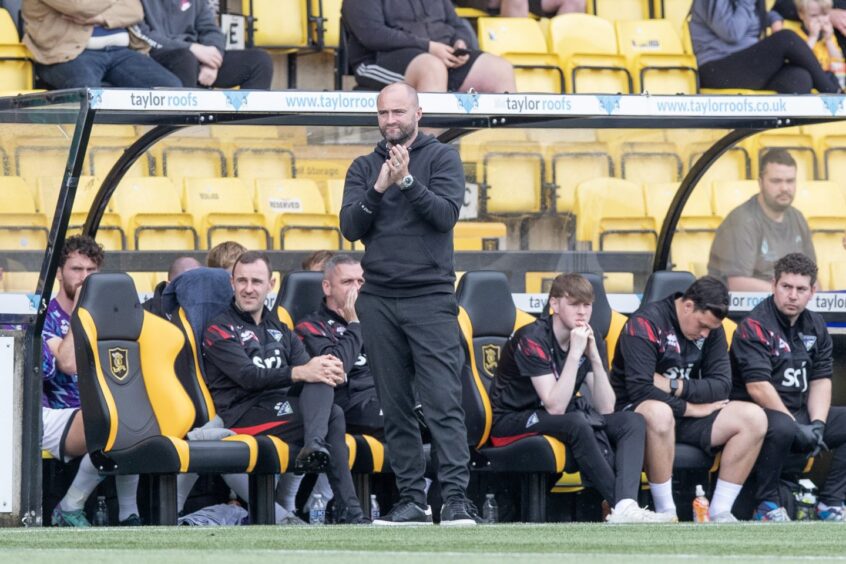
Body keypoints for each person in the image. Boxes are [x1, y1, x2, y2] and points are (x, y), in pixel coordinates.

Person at [340, 82, 476, 526]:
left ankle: (455, 498)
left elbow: (444, 215)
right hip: (378, 299)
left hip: (430, 297)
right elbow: (350, 228)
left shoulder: (442, 158)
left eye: (399, 111)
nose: (391, 120)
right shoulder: (364, 166)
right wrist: (380, 187)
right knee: (393, 405)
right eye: (384, 113)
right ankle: (412, 500)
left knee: (442, 402)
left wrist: (408, 182)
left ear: (419, 113)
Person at [490, 273, 675, 523]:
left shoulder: (591, 336)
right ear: (554, 305)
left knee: (632, 422)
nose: (582, 312)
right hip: (513, 419)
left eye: (587, 305)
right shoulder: (532, 339)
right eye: (574, 304)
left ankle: (626, 504)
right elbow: (554, 406)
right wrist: (576, 354)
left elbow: (606, 406)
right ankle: (623, 507)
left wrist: (595, 358)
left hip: (557, 416)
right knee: (575, 422)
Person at [202, 251, 367, 524]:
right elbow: (247, 376)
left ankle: (336, 486)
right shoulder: (219, 328)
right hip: (243, 414)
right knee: (329, 406)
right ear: (232, 282)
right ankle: (347, 504)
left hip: (280, 409)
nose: (249, 288)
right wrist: (302, 371)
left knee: (323, 386)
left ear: (272, 284)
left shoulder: (280, 328)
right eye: (242, 281)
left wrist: (320, 368)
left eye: (256, 281)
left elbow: (309, 368)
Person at [609, 276, 767, 522]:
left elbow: (722, 386)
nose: (704, 333)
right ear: (688, 305)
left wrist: (674, 385)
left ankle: (720, 511)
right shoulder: (644, 324)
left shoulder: (711, 329)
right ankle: (666, 511)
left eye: (709, 329)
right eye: (701, 325)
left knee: (754, 417)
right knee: (659, 412)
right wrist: (689, 408)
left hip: (689, 411)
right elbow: (640, 389)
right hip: (639, 415)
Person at [731, 253, 846, 521]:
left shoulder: (816, 325)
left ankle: (831, 503)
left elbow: (821, 379)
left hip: (801, 412)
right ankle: (767, 506)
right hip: (760, 416)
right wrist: (796, 426)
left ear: (812, 291)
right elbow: (759, 388)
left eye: (800, 289)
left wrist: (816, 423)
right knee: (781, 425)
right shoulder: (754, 326)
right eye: (786, 287)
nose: (792, 295)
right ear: (774, 285)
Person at [43, 235, 141, 526]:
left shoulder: (109, 317)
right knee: (113, 421)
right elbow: (69, 364)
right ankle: (69, 508)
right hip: (55, 413)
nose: (84, 278)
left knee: (135, 419)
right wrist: (78, 316)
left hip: (96, 408)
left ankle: (129, 515)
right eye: (76, 269)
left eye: (91, 271)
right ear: (60, 273)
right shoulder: (47, 316)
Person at [289, 254, 383, 515]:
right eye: (348, 282)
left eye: (361, 281)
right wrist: (354, 323)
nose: (357, 288)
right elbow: (336, 367)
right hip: (348, 403)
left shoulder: (380, 322)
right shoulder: (310, 327)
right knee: (408, 417)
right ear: (328, 287)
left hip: (382, 399)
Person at [342, 0, 515, 93]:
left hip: (439, 56)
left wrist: (460, 43)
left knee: (500, 69)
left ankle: (504, 154)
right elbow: (374, 35)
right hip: (379, 60)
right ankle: (429, 155)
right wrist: (429, 47)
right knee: (432, 69)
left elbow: (457, 23)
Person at [708, 149, 817, 292]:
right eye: (776, 181)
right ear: (760, 182)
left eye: (790, 181)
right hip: (748, 311)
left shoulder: (798, 218)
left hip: (788, 307)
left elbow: (813, 278)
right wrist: (790, 292)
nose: (784, 188)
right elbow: (736, 284)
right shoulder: (741, 221)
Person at [22, 0, 182, 90]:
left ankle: (149, 146)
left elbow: (136, 10)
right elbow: (80, 6)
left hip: (120, 53)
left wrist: (100, 18)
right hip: (68, 55)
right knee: (87, 93)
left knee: (170, 88)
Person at [690, 0, 840, 93]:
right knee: (786, 38)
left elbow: (757, 18)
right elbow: (732, 32)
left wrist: (774, 18)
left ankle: (781, 142)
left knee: (799, 78)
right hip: (716, 69)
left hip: (747, 68)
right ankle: (834, 93)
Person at [135, 0, 273, 89]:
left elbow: (211, 30)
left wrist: (212, 60)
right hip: (156, 58)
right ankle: (185, 129)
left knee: (260, 61)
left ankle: (248, 129)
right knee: (185, 58)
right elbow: (141, 35)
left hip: (197, 58)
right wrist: (191, 48)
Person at [774, 0, 846, 61]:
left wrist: (828, 40)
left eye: (824, 14)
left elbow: (838, 59)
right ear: (801, 14)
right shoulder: (796, 35)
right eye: (814, 16)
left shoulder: (829, 35)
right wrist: (813, 37)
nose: (820, 19)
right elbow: (799, 58)